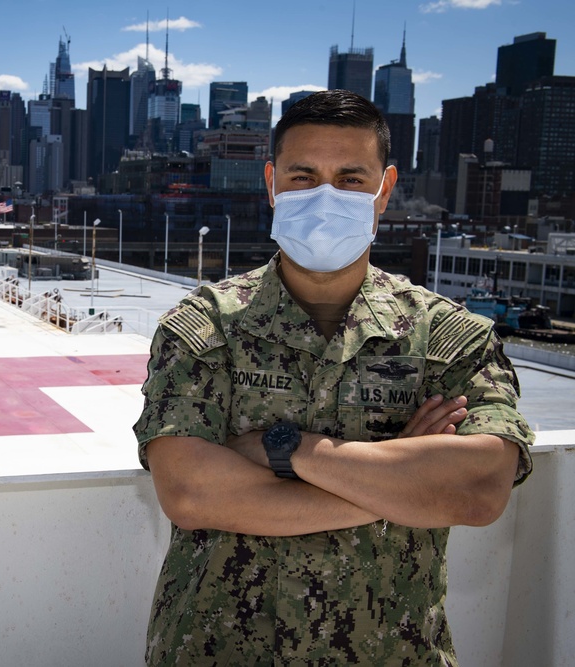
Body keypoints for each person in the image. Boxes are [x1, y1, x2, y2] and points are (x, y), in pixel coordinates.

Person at [133, 90, 534, 666]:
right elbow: (192, 493)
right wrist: (402, 476)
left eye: (350, 178)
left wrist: (288, 450)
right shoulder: (204, 327)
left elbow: (477, 490)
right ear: (272, 184)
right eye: (303, 177)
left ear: (384, 190)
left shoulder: (449, 337)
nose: (325, 197)